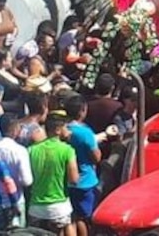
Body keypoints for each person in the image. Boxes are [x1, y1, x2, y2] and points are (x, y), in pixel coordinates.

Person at [28, 110, 78, 235]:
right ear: (57, 130)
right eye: (66, 127)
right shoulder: (67, 150)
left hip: (36, 207)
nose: (69, 130)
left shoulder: (31, 150)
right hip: (58, 206)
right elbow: (74, 179)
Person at [64, 95, 101, 236]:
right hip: (85, 180)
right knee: (84, 218)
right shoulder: (85, 133)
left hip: (67, 180)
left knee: (72, 216)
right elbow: (96, 157)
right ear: (82, 111)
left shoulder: (62, 130)